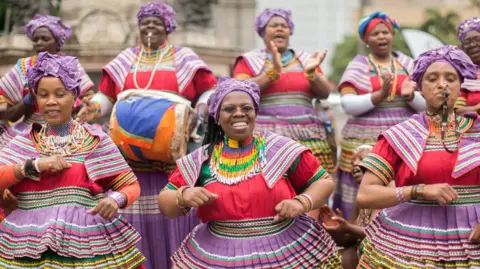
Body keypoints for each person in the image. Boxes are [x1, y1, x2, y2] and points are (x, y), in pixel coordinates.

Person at [76, 2, 217, 268]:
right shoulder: (125, 59)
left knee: (173, 206)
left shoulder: (184, 58)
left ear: (168, 26)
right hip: (131, 159)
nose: (150, 26)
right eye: (146, 22)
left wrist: (202, 106)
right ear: (138, 27)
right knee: (134, 210)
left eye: (157, 21)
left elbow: (208, 89)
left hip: (173, 156)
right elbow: (106, 96)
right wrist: (92, 109)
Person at [158, 77, 341, 268]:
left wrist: (301, 202)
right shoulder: (201, 160)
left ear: (255, 113)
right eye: (229, 109)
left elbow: (323, 182)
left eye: (246, 108)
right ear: (217, 117)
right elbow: (165, 201)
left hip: (284, 249)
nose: (239, 114)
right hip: (219, 254)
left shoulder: (280, 149)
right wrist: (184, 195)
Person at [0, 52, 145, 268]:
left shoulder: (95, 140)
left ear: (74, 96)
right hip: (27, 243)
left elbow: (129, 185)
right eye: (43, 95)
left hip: (86, 243)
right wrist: (34, 165)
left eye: (60, 94)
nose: (51, 102)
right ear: (36, 100)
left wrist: (116, 199)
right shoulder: (24, 141)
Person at [357, 45, 480, 268]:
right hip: (412, 240)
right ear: (420, 89)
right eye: (432, 78)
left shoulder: (477, 130)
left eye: (450, 78)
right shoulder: (399, 135)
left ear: (460, 87)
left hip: (473, 237)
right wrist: (419, 190)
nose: (442, 84)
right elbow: (365, 194)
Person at [233, 9, 335, 198]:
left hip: (307, 134)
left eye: (284, 26)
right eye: (274, 25)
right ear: (263, 31)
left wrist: (312, 74)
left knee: (307, 186)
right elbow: (239, 92)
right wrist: (273, 72)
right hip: (266, 136)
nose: (280, 29)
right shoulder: (248, 61)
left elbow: (325, 93)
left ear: (290, 31)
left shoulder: (306, 60)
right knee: (270, 187)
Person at [334, 11, 425, 219]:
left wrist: (411, 96)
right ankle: (356, 235)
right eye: (375, 34)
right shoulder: (359, 65)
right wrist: (380, 95)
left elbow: (425, 104)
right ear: (366, 39)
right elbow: (347, 104)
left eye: (385, 32)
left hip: (404, 137)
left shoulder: (408, 63)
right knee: (363, 185)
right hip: (363, 138)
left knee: (403, 183)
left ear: (392, 35)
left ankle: (401, 231)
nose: (382, 37)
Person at [0, 14, 94, 148]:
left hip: (67, 133)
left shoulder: (72, 67)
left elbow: (88, 100)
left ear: (57, 42)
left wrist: (84, 108)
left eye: (45, 39)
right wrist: (30, 98)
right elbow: (11, 116)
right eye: (35, 39)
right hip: (29, 132)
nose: (39, 43)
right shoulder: (22, 68)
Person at [456, 17, 480, 114]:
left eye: (477, 39)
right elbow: (456, 111)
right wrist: (476, 109)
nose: (472, 45)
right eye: (467, 42)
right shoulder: (463, 77)